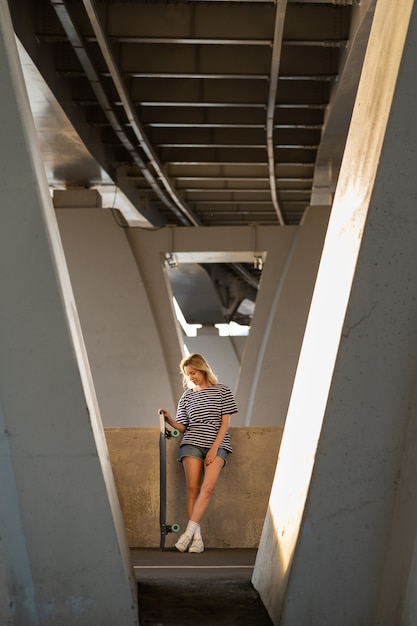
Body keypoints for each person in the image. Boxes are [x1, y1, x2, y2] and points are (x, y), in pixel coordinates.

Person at [159, 353, 238, 553]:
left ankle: (186, 534)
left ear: (202, 369)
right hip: (192, 442)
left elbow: (225, 423)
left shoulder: (223, 391)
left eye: (193, 373)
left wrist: (213, 449)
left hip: (217, 443)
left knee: (208, 489)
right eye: (188, 375)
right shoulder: (187, 396)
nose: (191, 377)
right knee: (192, 490)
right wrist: (169, 420)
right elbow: (183, 426)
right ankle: (196, 539)